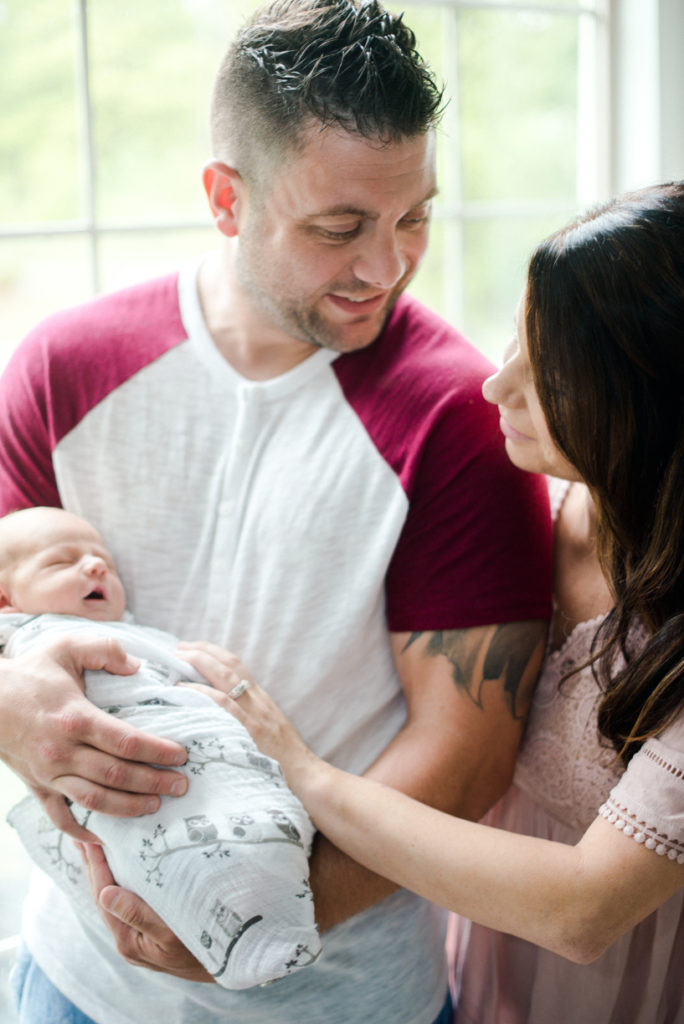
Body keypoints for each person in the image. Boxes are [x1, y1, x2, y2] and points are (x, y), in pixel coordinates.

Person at [0, 2, 552, 1022]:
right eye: (339, 228)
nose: (387, 265)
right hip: (74, 984)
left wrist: (249, 932)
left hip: (343, 997)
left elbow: (467, 753)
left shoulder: (458, 417)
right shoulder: (62, 369)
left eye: (415, 216)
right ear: (226, 198)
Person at [196, 181, 684, 1024]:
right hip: (483, 971)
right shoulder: (539, 509)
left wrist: (304, 772)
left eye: (553, 378)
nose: (496, 387)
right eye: (517, 339)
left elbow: (584, 908)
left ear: (654, 412)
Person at [0, 505, 320, 990]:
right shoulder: (20, 638)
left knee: (264, 836)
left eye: (103, 561)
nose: (95, 566)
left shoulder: (144, 637)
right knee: (154, 849)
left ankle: (264, 922)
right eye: (62, 561)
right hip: (118, 814)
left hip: (201, 760)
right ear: (7, 601)